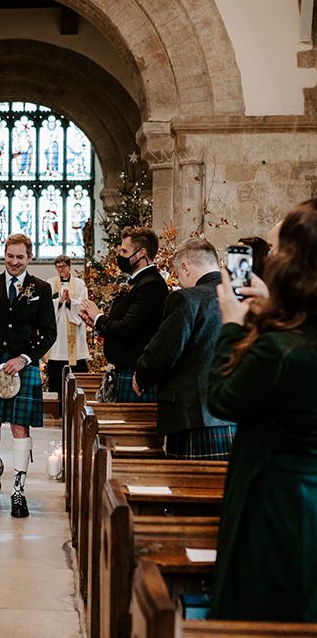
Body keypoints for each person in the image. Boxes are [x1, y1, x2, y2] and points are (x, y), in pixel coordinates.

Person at [208, 198, 317, 621]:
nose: (268, 259)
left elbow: (222, 397)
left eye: (276, 250)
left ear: (297, 262)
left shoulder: (282, 349)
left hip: (278, 500)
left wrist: (233, 323)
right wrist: (271, 307)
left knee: (265, 612)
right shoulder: (299, 334)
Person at [0, 233, 57, 518]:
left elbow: (49, 333)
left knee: (20, 429)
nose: (14, 262)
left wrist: (25, 358)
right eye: (10, 256)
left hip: (24, 366)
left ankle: (19, 490)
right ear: (4, 254)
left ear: (29, 257)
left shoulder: (40, 289)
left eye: (20, 257)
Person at [133, 238, 236, 459]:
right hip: (233, 417)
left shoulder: (187, 299)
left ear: (185, 267)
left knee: (187, 485)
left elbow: (164, 351)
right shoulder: (241, 296)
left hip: (193, 418)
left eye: (178, 275)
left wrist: (141, 375)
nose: (179, 281)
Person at [81, 226, 169, 401]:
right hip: (124, 370)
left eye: (124, 251)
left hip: (135, 373)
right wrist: (97, 323)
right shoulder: (137, 282)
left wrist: (98, 317)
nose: (120, 256)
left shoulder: (151, 285)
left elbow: (128, 328)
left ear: (141, 253)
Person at [45, 254, 89, 395]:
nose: (60, 270)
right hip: (57, 336)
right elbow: (45, 307)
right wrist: (59, 301)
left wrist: (70, 302)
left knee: (76, 378)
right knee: (56, 377)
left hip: (74, 335)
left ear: (69, 266)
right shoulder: (50, 283)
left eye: (63, 266)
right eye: (58, 267)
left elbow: (83, 305)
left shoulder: (79, 284)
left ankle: (75, 405)